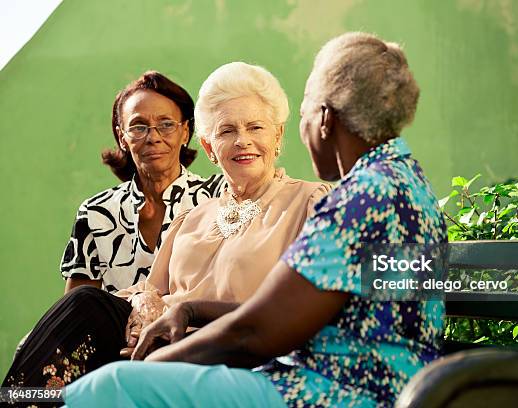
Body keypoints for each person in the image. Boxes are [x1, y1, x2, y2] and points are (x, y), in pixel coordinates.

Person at [65, 32, 448, 407]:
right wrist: (190, 309)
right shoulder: (403, 182)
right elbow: (299, 315)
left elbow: (258, 332)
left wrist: (149, 366)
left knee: (113, 386)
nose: (302, 130)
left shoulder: (361, 199)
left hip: (333, 390)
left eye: (302, 116)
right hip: (375, 383)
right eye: (228, 130)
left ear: (325, 119)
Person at [2, 62, 329, 395]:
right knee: (85, 305)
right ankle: (21, 400)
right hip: (159, 342)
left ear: (277, 135)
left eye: (256, 127)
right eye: (227, 131)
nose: (242, 141)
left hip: (226, 348)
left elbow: (299, 310)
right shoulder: (192, 217)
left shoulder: (310, 202)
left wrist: (186, 312)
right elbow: (149, 290)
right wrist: (141, 313)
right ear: (209, 147)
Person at [61, 71, 224, 293]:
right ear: (122, 138)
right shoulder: (96, 213)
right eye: (138, 126)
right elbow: (79, 310)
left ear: (185, 132)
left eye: (166, 124)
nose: (153, 137)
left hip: (202, 327)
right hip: (118, 328)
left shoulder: (218, 197)